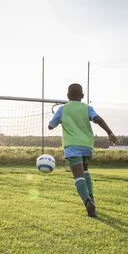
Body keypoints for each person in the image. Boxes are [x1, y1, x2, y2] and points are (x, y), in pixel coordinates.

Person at [48, 83, 117, 217]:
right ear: (83, 96)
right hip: (87, 146)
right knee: (85, 171)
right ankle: (91, 198)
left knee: (79, 176)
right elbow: (98, 119)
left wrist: (58, 121)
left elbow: (51, 126)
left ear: (67, 96)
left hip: (72, 146)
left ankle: (87, 202)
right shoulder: (87, 108)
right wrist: (110, 132)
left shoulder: (63, 109)